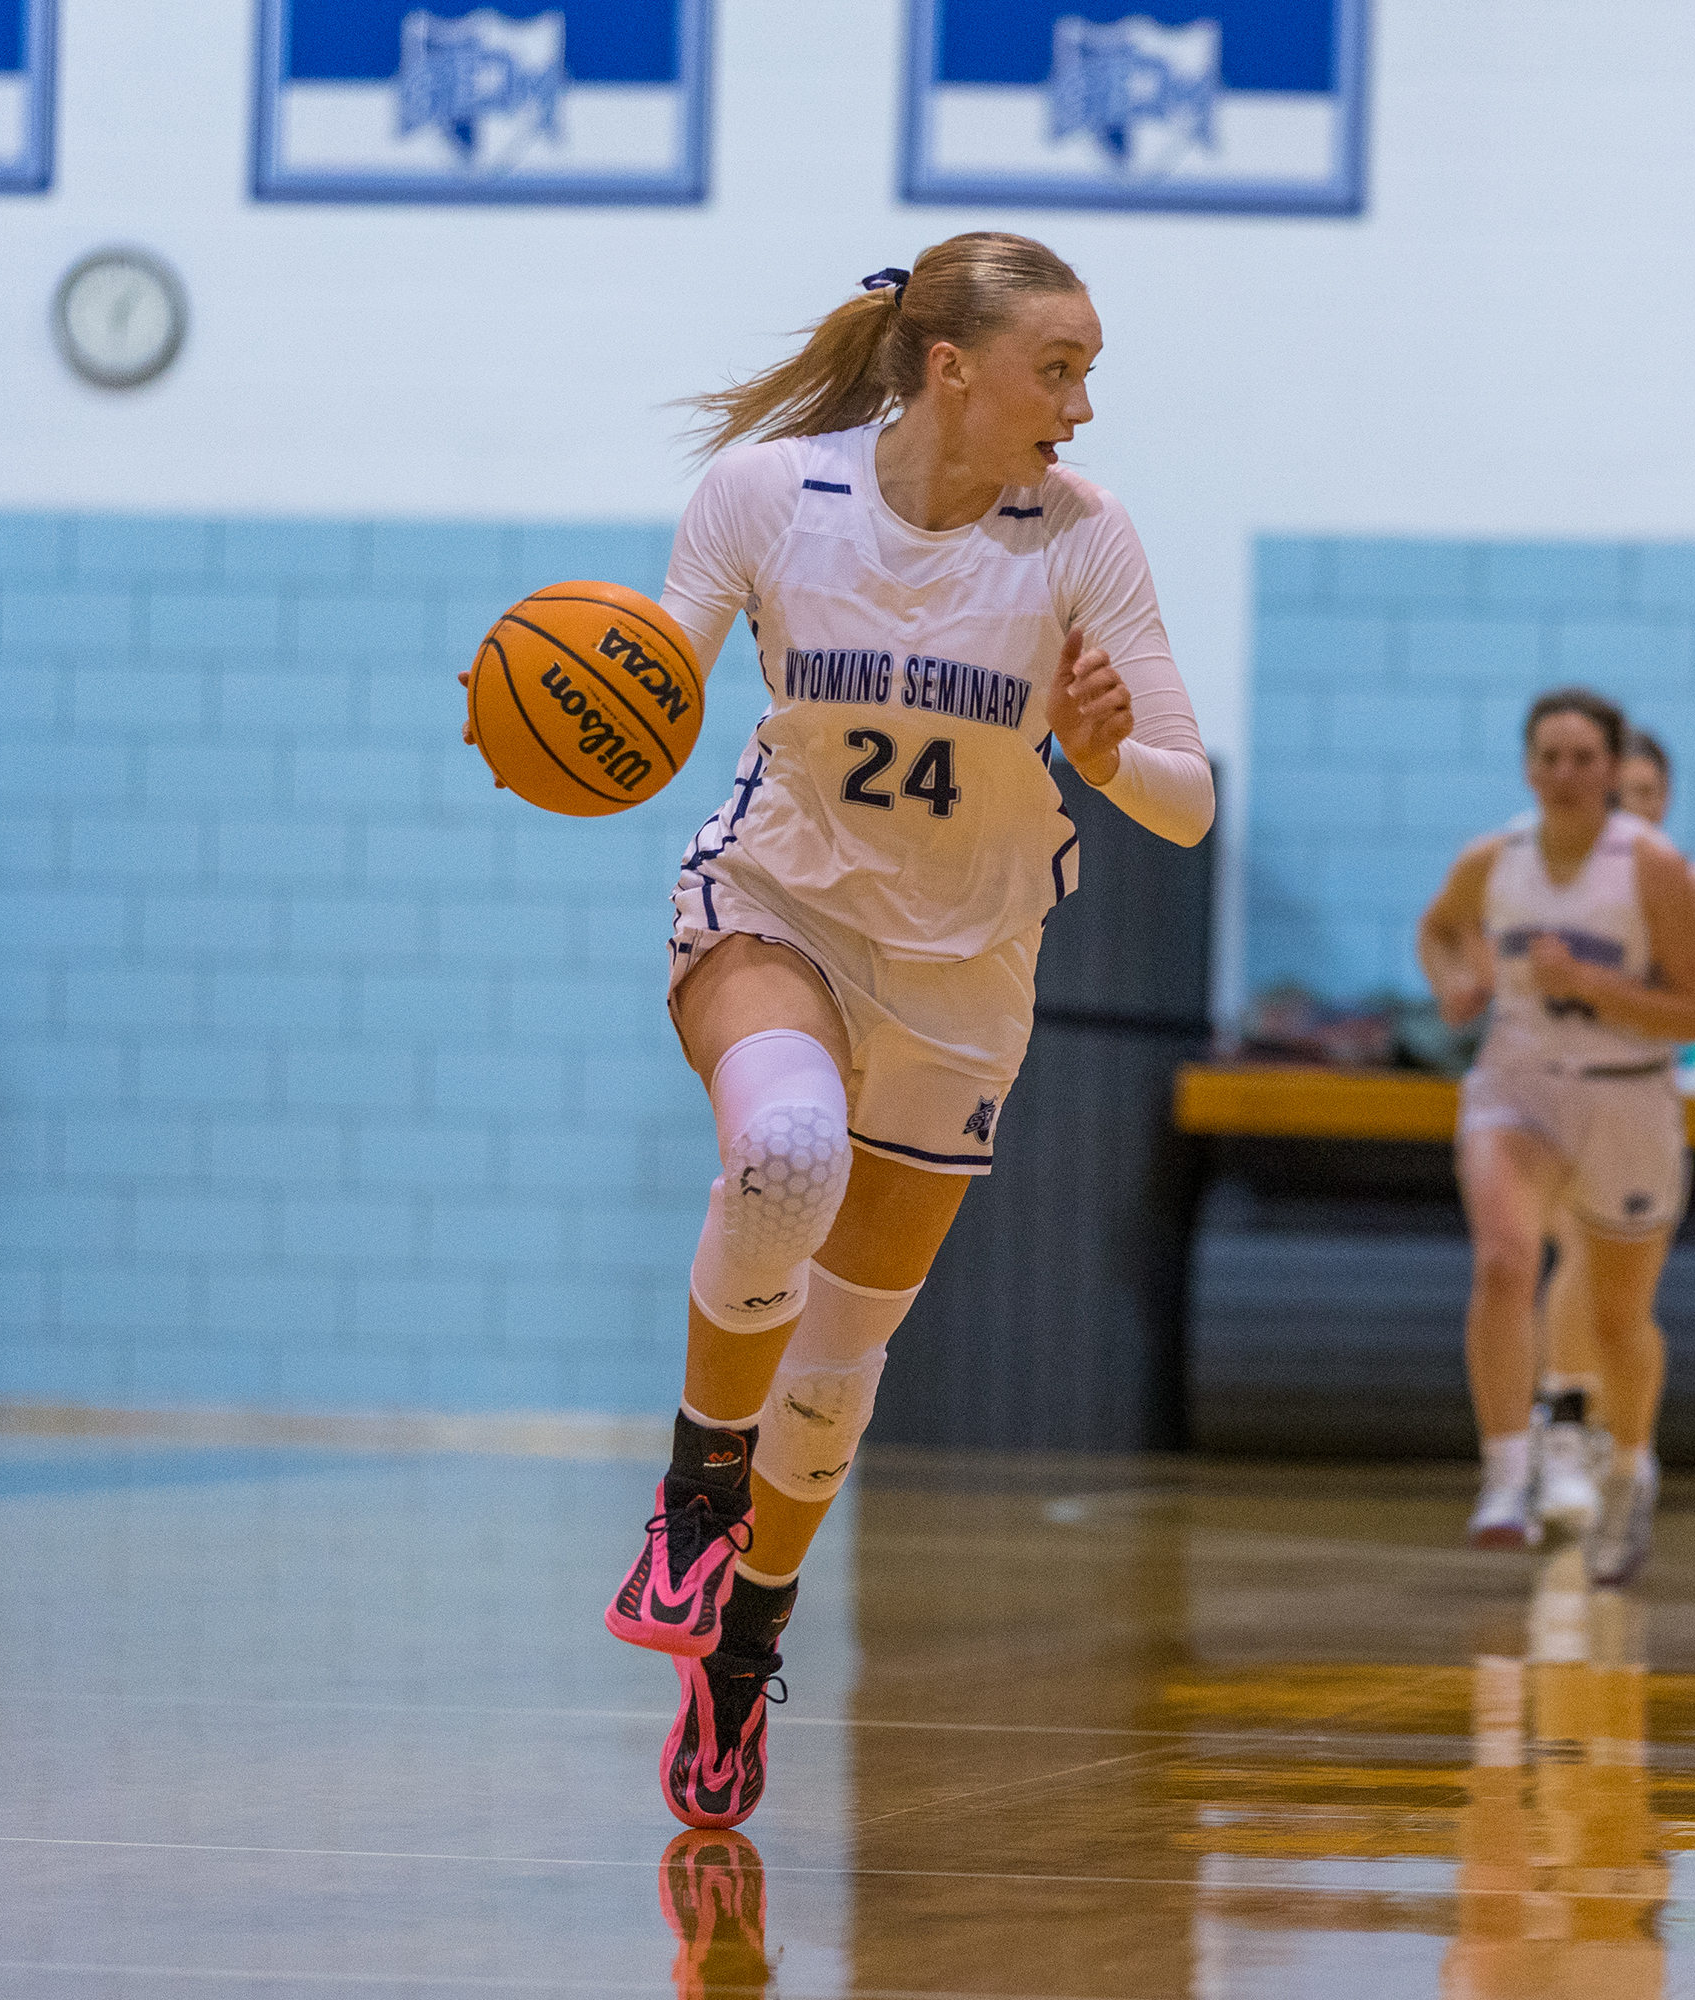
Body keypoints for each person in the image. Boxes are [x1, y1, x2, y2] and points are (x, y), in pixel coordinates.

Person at [584, 235, 1212, 1830]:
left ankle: (749, 1637)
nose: (1083, 403)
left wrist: (1107, 749)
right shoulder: (766, 494)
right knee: (780, 1149)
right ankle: (693, 1498)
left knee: (846, 1352)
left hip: (965, 970)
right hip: (778, 904)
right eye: (1056, 369)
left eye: (1086, 371)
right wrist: (600, 710)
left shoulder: (1085, 536)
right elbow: (650, 684)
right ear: (952, 366)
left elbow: (1188, 804)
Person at [1416, 689, 1695, 1580]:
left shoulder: (1652, 869)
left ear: (1615, 770)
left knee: (1617, 1319)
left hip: (1625, 1098)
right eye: (1549, 756)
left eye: (1584, 758)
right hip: (1519, 1087)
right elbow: (1436, 930)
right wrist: (1458, 982)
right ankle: (1508, 1476)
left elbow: (1693, 1010)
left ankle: (1631, 1467)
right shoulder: (1493, 859)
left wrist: (1589, 981)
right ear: (1526, 764)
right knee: (1505, 1259)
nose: (1566, 774)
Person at [1530, 724, 1695, 1565]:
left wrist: (1670, 976)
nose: (1631, 806)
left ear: (1666, 800)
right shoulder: (1546, 881)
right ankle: (1561, 1433)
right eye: (1616, 792)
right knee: (1575, 1256)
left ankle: (1623, 1456)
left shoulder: (1689, 889)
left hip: (1638, 1100)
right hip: (1552, 1094)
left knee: (1615, 1297)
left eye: (1646, 793)